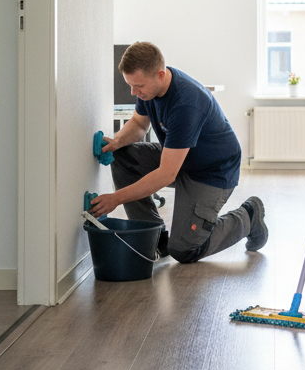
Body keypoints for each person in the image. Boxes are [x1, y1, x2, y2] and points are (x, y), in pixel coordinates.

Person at [90, 42, 268, 263]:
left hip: (212, 172)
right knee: (123, 157)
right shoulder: (150, 88)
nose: (133, 92)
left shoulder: (187, 103)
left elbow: (166, 174)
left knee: (185, 250)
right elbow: (138, 123)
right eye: (131, 85)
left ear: (160, 75)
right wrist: (117, 141)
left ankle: (248, 216)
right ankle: (154, 237)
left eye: (138, 86)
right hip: (179, 159)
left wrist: (116, 198)